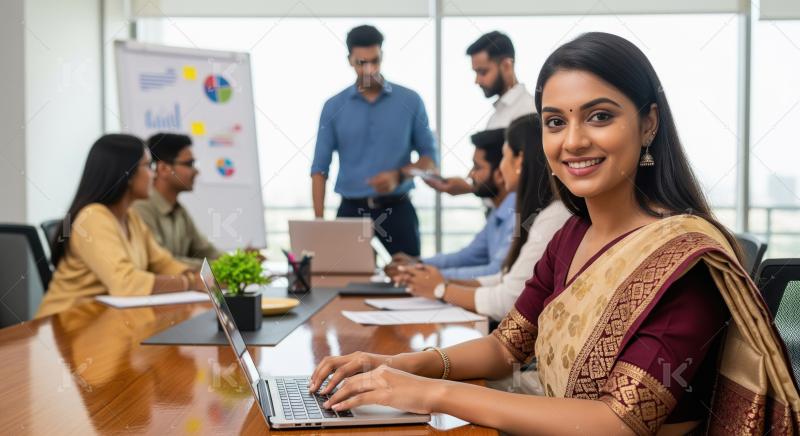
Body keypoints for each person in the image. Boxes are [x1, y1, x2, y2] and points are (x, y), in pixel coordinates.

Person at [306, 33, 800, 434]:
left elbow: (616, 420)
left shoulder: (679, 259)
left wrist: (431, 393)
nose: (574, 140)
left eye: (600, 116)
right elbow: (505, 347)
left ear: (649, 123)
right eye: (555, 122)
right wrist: (395, 363)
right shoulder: (570, 234)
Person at [399, 114, 571, 322]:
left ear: (520, 160)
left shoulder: (551, 217)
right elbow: (504, 277)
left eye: (505, 156)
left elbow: (509, 298)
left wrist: (440, 287)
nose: (501, 168)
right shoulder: (530, 210)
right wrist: (427, 274)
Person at [37, 134, 201, 318]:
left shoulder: (130, 217)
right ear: (127, 175)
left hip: (103, 321)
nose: (154, 174)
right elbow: (126, 283)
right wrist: (190, 282)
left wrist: (198, 278)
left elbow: (162, 262)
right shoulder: (93, 218)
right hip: (65, 326)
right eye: (148, 166)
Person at [310, 24, 437, 256]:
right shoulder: (333, 107)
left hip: (398, 209)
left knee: (412, 281)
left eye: (375, 60)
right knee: (342, 281)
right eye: (361, 62)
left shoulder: (410, 100)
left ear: (382, 56)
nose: (369, 69)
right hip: (350, 211)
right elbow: (319, 169)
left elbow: (430, 160)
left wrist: (399, 175)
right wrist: (319, 225)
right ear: (349, 60)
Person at [391, 128, 515, 280]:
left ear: (500, 173)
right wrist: (418, 263)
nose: (470, 175)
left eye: (477, 167)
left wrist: (424, 274)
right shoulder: (499, 210)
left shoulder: (516, 215)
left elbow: (496, 272)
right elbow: (469, 256)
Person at [427, 31, 536, 196]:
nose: (477, 81)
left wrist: (470, 187)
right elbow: (493, 173)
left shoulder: (529, 111)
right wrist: (470, 186)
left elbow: (527, 178)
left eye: (483, 72)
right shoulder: (496, 116)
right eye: (475, 72)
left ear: (507, 65)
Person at [132, 133, 220, 269]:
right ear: (163, 169)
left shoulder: (179, 210)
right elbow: (160, 263)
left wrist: (239, 263)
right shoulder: (140, 209)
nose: (196, 171)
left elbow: (205, 250)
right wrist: (218, 268)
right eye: (189, 163)